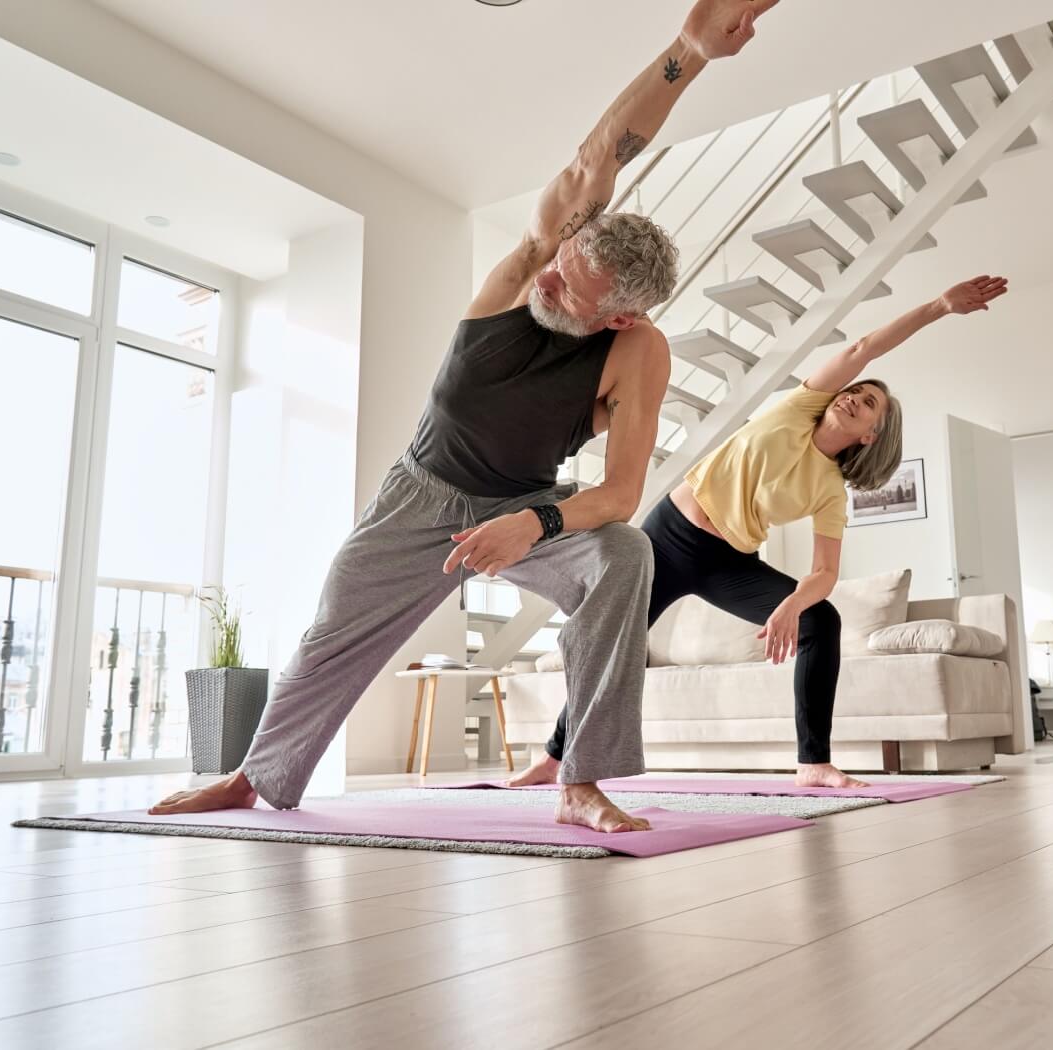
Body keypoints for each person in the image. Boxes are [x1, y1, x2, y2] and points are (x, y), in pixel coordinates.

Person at [150, 0, 782, 833]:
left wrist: (534, 521)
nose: (547, 284)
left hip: (524, 506)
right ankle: (251, 778)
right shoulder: (530, 266)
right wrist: (688, 52)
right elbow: (599, 155)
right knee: (332, 628)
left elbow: (623, 494)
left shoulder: (638, 353)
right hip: (418, 494)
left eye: (568, 290)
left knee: (625, 555)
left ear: (619, 317)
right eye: (559, 263)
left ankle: (581, 781)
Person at [511, 275, 1009, 789]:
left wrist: (792, 605)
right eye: (855, 391)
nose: (854, 398)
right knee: (617, 642)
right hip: (669, 536)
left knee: (823, 621)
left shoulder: (830, 491)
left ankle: (814, 763)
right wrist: (938, 305)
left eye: (867, 405)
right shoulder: (802, 406)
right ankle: (554, 758)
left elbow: (824, 571)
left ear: (869, 435)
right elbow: (863, 347)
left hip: (727, 560)